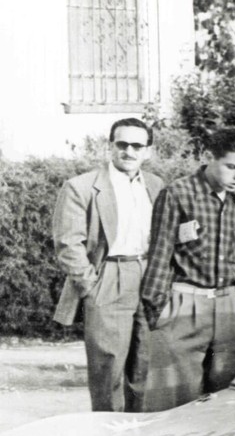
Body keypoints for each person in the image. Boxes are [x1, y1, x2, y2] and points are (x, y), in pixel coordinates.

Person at [139, 127, 235, 412]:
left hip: (230, 307)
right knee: (173, 399)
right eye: (232, 167)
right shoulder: (178, 194)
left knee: (232, 400)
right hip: (185, 304)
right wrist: (158, 312)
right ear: (209, 158)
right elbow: (160, 256)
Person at [51, 118, 164, 412]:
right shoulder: (82, 187)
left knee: (147, 366)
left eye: (137, 145)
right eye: (122, 144)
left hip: (149, 275)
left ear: (148, 151)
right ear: (110, 146)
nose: (129, 151)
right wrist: (90, 286)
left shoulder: (156, 185)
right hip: (108, 276)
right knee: (108, 369)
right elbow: (67, 244)